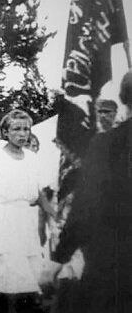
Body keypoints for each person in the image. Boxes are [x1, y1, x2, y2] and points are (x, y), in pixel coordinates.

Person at [41, 72, 132, 313]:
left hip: (115, 262)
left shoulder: (107, 144)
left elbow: (87, 205)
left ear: (123, 99)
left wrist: (59, 258)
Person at [0, 109, 53, 313]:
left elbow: (39, 194)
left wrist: (53, 217)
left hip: (25, 221)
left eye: (26, 129)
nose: (22, 134)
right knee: (6, 281)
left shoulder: (32, 158)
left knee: (28, 279)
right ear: (5, 132)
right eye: (16, 129)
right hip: (1, 221)